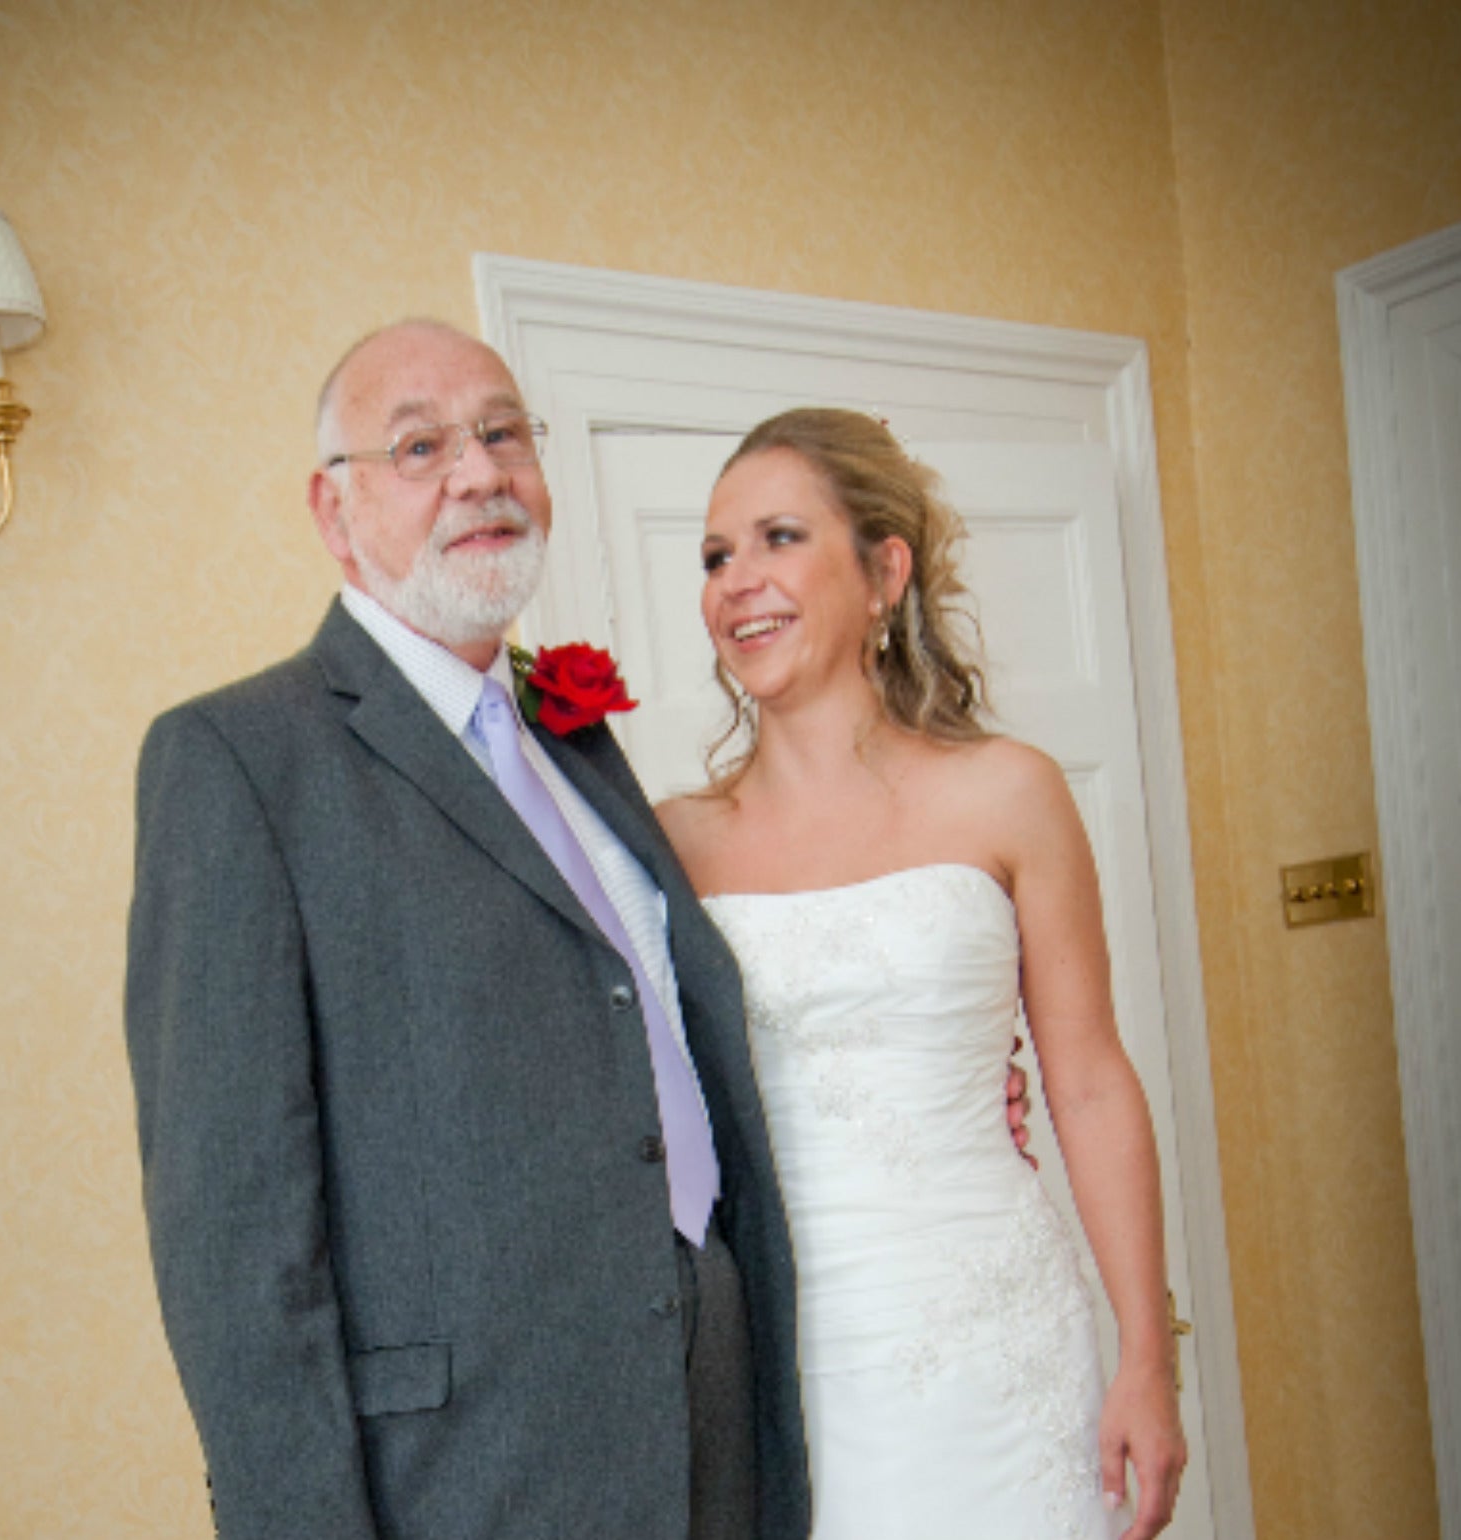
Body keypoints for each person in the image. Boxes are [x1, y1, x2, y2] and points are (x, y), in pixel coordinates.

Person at [122, 319, 810, 1540]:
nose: (479, 470)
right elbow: (233, 1237)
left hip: (704, 1403)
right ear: (334, 512)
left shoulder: (573, 735)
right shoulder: (238, 759)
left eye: (502, 433)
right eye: (420, 445)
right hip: (469, 1472)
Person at [657, 408, 1188, 1540]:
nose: (735, 581)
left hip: (996, 1343)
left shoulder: (1007, 792)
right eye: (714, 555)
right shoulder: (668, 844)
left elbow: (1087, 1081)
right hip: (785, 1360)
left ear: (883, 570)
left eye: (778, 538)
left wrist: (1147, 1353)